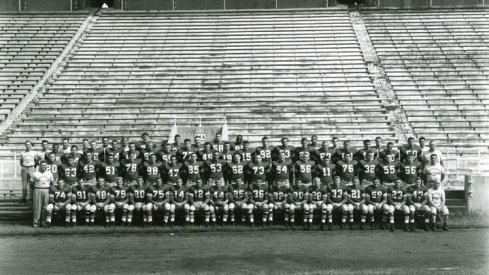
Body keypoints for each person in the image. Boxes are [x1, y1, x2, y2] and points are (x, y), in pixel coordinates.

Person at [30, 160, 55, 227]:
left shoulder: (49, 173)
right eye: (42, 165)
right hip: (37, 189)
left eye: (45, 165)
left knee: (45, 207)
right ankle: (36, 223)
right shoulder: (35, 173)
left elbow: (52, 183)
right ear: (40, 166)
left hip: (46, 190)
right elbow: (31, 184)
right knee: (37, 207)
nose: (44, 167)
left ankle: (43, 223)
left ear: (47, 166)